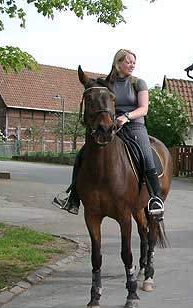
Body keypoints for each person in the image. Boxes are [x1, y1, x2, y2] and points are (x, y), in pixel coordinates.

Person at [53, 49, 164, 217]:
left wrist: (126, 117)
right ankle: (73, 197)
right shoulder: (107, 83)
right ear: (117, 63)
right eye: (128, 61)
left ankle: (155, 199)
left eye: (134, 62)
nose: (132, 65)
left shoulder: (138, 83)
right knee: (82, 155)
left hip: (134, 126)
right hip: (110, 126)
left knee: (146, 157)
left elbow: (144, 109)